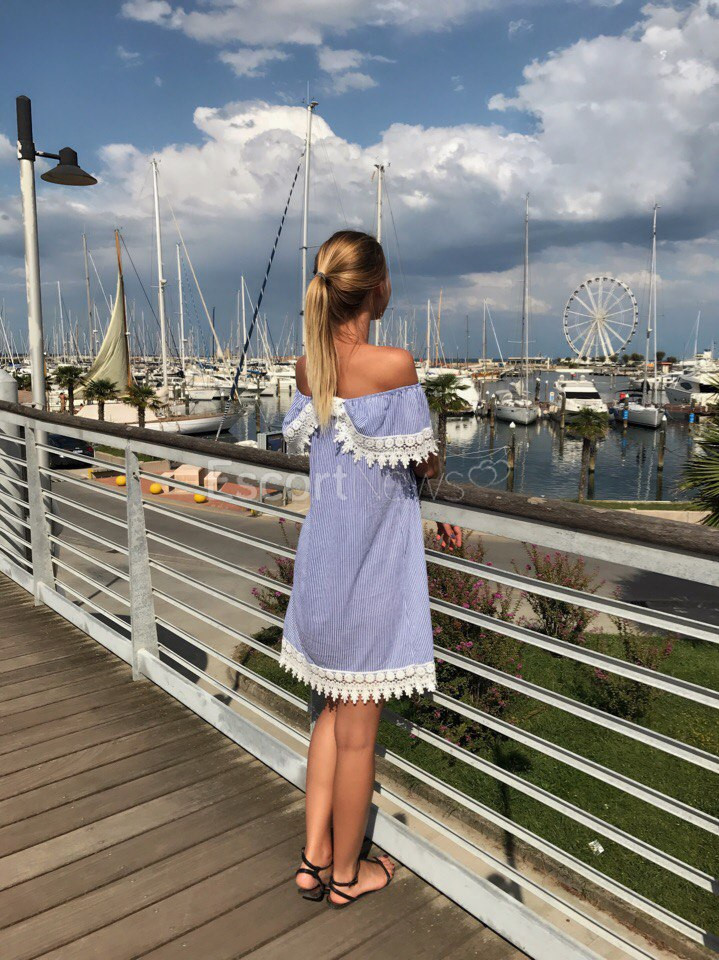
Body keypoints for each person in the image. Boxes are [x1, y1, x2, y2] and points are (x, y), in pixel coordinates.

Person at [280, 230, 461, 909]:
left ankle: (314, 859)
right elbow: (424, 460)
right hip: (368, 577)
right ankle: (348, 877)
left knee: (329, 718)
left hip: (319, 571)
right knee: (358, 739)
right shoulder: (393, 364)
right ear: (378, 288)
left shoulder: (309, 368)